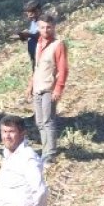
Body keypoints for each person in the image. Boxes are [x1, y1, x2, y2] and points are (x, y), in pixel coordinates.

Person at [26, 14, 68, 163]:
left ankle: (49, 155)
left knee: (48, 121)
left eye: (49, 27)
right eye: (42, 27)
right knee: (39, 122)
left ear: (54, 27)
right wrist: (30, 85)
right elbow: (36, 68)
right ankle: (45, 151)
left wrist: (58, 89)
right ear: (38, 28)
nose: (46, 30)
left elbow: (63, 69)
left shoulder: (58, 45)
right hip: (38, 87)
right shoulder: (38, 43)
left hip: (49, 88)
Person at [15, 1, 42, 67]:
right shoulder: (33, 22)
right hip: (34, 55)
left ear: (38, 11)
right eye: (28, 13)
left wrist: (28, 34)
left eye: (31, 13)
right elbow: (32, 35)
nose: (29, 16)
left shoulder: (43, 22)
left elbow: (40, 35)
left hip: (42, 56)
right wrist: (21, 36)